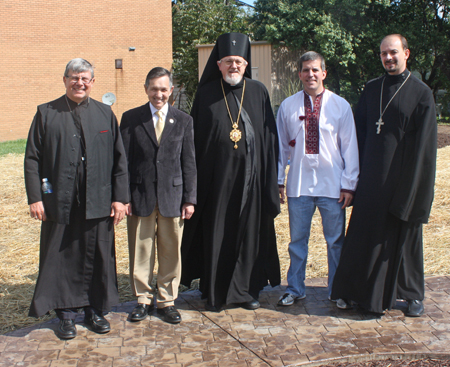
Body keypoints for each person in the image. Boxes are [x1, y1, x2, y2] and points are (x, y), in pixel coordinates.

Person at [331, 34, 437, 317]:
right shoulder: (371, 89)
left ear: (406, 53)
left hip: (403, 180)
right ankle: (356, 291)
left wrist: (414, 190)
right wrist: (352, 178)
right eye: (383, 54)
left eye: (393, 52)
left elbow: (425, 148)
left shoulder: (421, 93)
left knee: (406, 238)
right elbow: (358, 135)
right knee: (365, 237)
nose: (388, 58)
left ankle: (412, 294)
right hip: (370, 180)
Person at [24, 58, 129, 339]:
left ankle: (94, 310)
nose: (79, 83)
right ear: (65, 80)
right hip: (59, 201)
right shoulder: (46, 113)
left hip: (98, 201)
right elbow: (32, 159)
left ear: (93, 82)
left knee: (96, 257)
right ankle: (67, 315)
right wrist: (37, 198)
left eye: (85, 78)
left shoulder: (105, 114)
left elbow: (120, 161)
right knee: (62, 258)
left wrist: (120, 199)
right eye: (74, 77)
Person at [181, 32, 281, 311]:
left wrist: (271, 181)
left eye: (238, 61)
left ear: (246, 64)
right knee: (217, 236)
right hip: (216, 185)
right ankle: (214, 290)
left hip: (251, 182)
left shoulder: (259, 92)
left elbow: (269, 138)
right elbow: (194, 143)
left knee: (247, 236)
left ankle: (246, 291)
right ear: (218, 65)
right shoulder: (206, 94)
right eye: (228, 61)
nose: (233, 66)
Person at [276, 52, 359, 307]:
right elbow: (281, 146)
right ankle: (295, 288)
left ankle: (337, 290)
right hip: (299, 184)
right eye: (305, 70)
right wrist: (279, 180)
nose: (310, 74)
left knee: (335, 242)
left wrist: (349, 184)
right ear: (299, 74)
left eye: (315, 70)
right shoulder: (288, 106)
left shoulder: (340, 105)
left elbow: (350, 147)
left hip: (332, 186)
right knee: (297, 242)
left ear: (323, 73)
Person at [120, 67, 196, 324]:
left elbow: (189, 163)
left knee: (170, 252)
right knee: (141, 251)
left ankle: (166, 300)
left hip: (172, 198)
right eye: (154, 88)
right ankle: (142, 299)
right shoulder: (131, 118)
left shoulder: (183, 120)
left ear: (171, 90)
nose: (159, 94)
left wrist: (190, 199)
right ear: (146, 89)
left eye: (164, 89)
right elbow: (124, 162)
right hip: (140, 197)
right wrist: (124, 196)